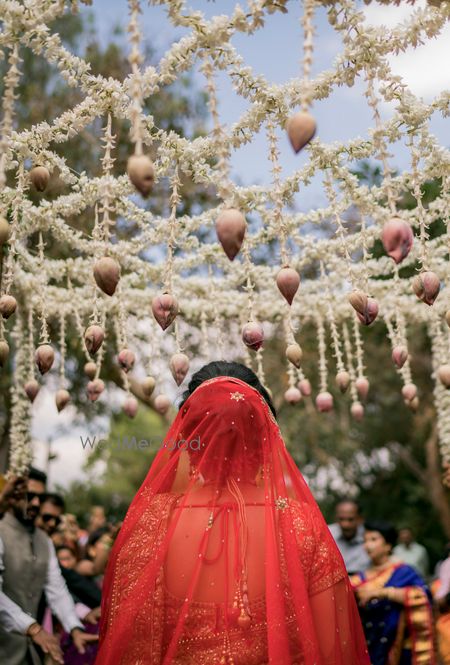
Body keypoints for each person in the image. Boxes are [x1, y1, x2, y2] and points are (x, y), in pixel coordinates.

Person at [96, 361, 370, 664]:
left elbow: (127, 647)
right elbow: (334, 648)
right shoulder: (301, 524)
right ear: (266, 436)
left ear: (190, 439)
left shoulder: (151, 522)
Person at [0, 466, 98, 664]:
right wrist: (33, 628)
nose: (36, 503)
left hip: (30, 654)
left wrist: (74, 627)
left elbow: (57, 588)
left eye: (40, 497)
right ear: (13, 495)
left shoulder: (43, 540)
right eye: (30, 496)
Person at [351, 520, 436, 665]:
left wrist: (384, 593)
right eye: (365, 540)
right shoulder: (359, 577)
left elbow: (422, 596)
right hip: (370, 644)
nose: (367, 545)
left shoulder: (404, 572)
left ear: (388, 545)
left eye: (373, 539)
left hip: (400, 648)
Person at [328, 499, 370, 574]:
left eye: (350, 519)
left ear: (360, 519)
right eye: (341, 519)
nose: (345, 525)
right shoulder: (327, 534)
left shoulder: (369, 537)